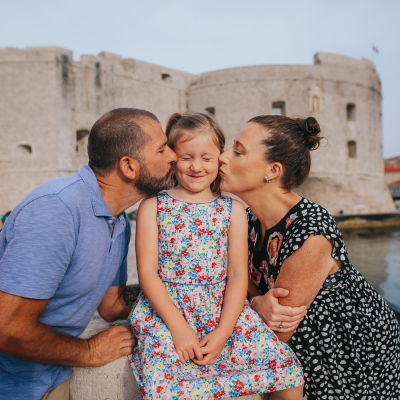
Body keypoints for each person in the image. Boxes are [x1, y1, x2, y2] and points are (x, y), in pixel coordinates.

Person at [0, 108, 177, 400]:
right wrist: (90, 350)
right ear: (129, 167)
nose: (173, 155)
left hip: (51, 376)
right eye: (162, 149)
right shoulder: (58, 209)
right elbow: (6, 329)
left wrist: (200, 298)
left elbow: (111, 305)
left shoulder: (118, 221)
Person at [218, 115, 400, 399]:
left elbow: (278, 329)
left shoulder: (311, 231)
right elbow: (244, 284)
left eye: (238, 151)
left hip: (349, 354)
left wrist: (252, 302)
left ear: (272, 170)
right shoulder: (250, 221)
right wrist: (255, 302)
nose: (222, 158)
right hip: (308, 353)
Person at [128, 112, 304, 400]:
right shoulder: (153, 207)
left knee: (288, 372)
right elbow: (147, 273)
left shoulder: (232, 210)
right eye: (187, 157)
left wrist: (224, 331)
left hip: (222, 310)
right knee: (166, 385)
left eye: (206, 157)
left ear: (219, 158)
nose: (197, 166)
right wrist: (178, 327)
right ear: (174, 158)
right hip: (168, 311)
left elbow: (237, 275)